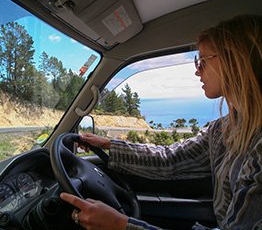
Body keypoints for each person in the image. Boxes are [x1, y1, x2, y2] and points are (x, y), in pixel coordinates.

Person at [60, 14, 262, 230]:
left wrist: (121, 226)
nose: (197, 70)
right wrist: (109, 145)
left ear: (236, 61)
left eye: (202, 61)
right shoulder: (224, 129)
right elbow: (171, 159)